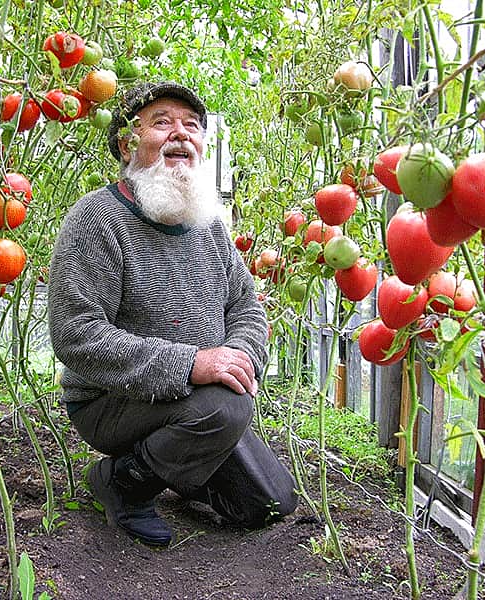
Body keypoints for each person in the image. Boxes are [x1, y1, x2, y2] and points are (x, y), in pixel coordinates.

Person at [47, 81, 298, 547]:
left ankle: (177, 463)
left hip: (196, 401)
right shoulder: (97, 219)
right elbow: (75, 333)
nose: (181, 134)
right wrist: (191, 364)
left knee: (269, 502)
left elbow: (246, 307)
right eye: (162, 122)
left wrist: (239, 357)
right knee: (225, 408)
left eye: (192, 126)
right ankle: (121, 483)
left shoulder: (208, 225)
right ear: (128, 144)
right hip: (111, 402)